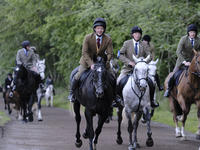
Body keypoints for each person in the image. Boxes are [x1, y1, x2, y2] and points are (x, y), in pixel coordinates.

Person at [68, 18, 121, 105]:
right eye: (98, 28)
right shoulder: (88, 37)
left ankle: (115, 96)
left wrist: (105, 63)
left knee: (113, 76)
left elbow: (110, 54)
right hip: (87, 61)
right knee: (77, 75)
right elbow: (84, 53)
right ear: (95, 29)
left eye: (102, 28)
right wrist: (91, 64)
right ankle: (72, 94)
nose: (100, 30)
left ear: (104, 29)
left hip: (102, 63)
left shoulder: (108, 39)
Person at [117, 26, 158, 108]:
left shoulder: (144, 45)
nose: (137, 35)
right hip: (127, 69)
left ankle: (151, 101)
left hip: (141, 70)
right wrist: (129, 62)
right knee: (118, 81)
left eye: (139, 33)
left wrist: (143, 62)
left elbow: (149, 56)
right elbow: (120, 55)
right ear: (132, 34)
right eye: (136, 33)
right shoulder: (126, 43)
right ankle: (118, 99)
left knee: (152, 82)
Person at [164, 24, 200, 97]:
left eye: (194, 32)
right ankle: (168, 89)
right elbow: (178, 52)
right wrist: (185, 62)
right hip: (182, 62)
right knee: (173, 75)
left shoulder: (199, 40)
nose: (192, 33)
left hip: (194, 62)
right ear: (188, 33)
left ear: (195, 33)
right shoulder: (183, 39)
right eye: (191, 32)